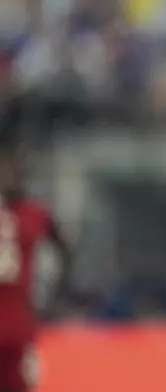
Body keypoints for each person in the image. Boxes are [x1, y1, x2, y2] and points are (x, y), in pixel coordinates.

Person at [0, 142, 73, 392]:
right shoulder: (33, 212)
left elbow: (64, 246)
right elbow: (64, 245)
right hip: (19, 318)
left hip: (19, 318)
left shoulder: (32, 212)